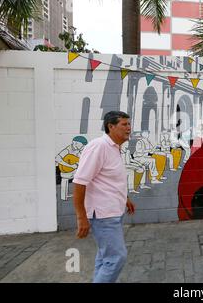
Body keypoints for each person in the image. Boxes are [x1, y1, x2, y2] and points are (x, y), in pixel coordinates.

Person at [73, 111, 136, 283]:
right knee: (116, 258)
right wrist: (81, 217)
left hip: (113, 212)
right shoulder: (99, 146)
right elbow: (79, 182)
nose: (129, 128)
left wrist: (125, 199)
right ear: (111, 126)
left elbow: (109, 180)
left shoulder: (114, 148)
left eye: (129, 124)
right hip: (103, 215)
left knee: (105, 257)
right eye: (124, 124)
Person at [55, 136, 88, 200]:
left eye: (76, 143)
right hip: (68, 169)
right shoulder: (69, 148)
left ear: (83, 144)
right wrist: (70, 166)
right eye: (73, 143)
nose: (74, 145)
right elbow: (57, 158)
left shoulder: (87, 150)